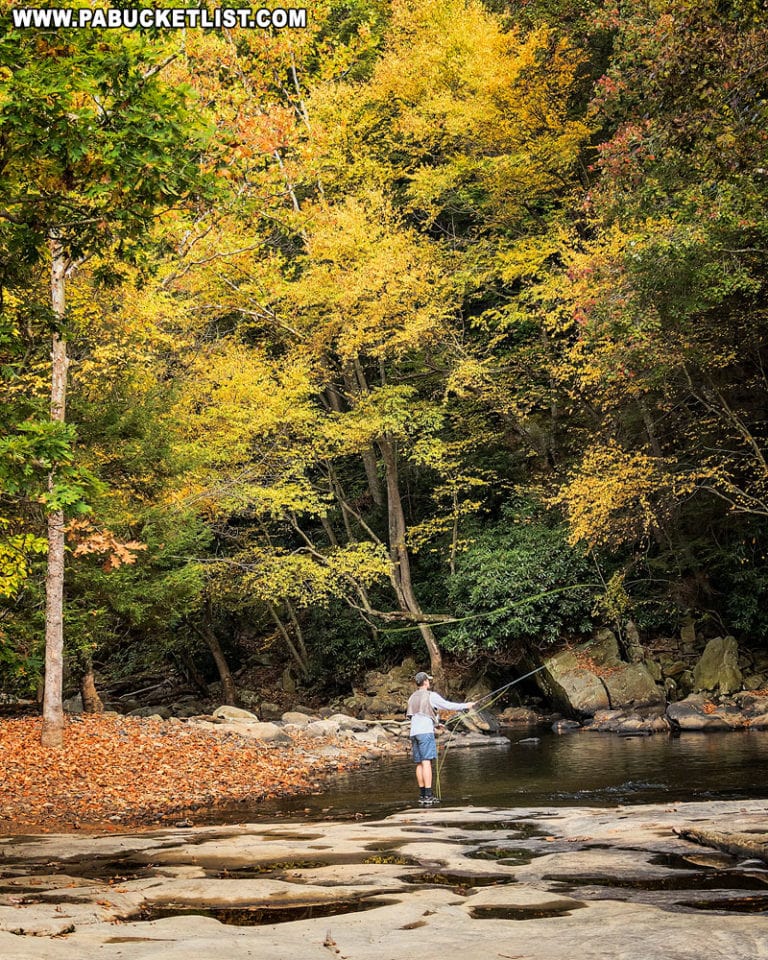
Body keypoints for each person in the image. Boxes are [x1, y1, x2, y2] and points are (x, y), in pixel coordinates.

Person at [406, 671, 476, 806]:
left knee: (419, 763)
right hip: (425, 733)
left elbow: (417, 715)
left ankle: (422, 795)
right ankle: (428, 795)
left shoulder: (411, 697)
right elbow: (448, 705)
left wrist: (436, 725)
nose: (429, 682)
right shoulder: (431, 696)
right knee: (426, 762)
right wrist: (465, 706)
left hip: (414, 733)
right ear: (425, 682)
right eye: (428, 680)